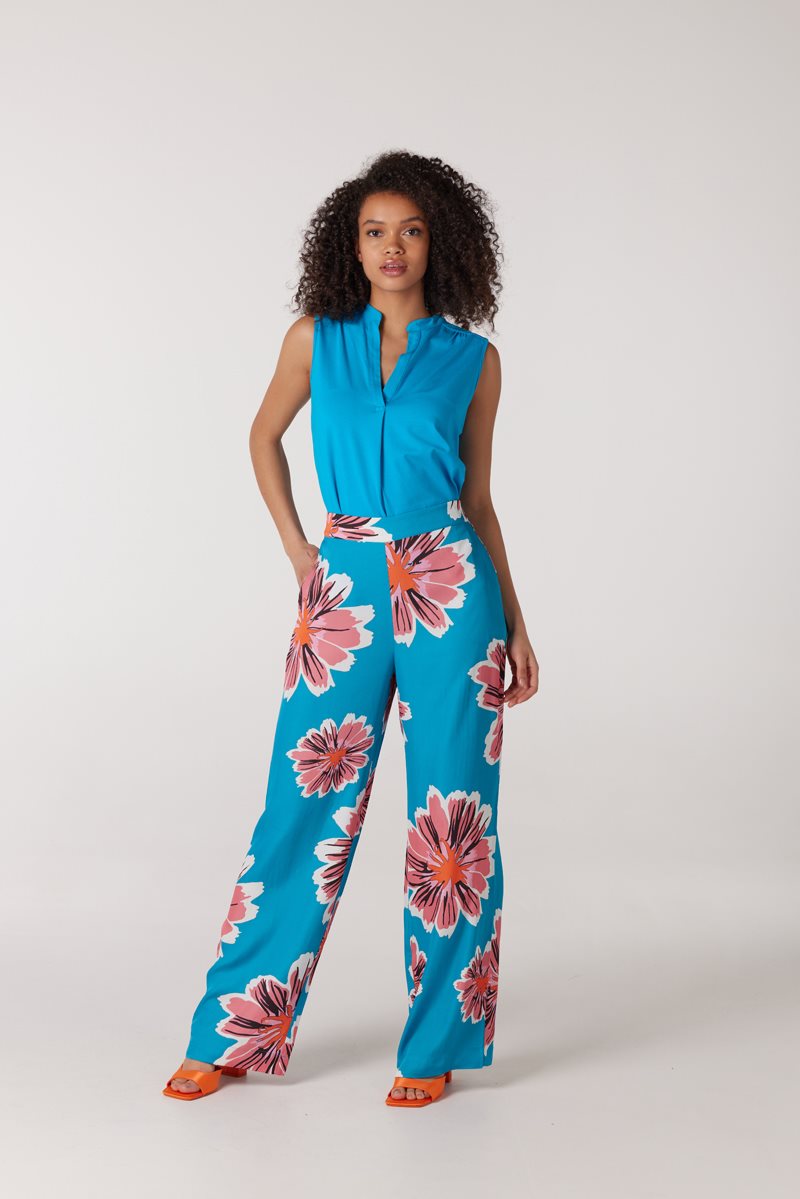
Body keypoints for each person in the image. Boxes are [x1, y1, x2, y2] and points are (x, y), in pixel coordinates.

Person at [163, 150, 539, 1107]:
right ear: (351, 243)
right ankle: (234, 1030)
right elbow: (263, 436)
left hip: (453, 584)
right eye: (374, 231)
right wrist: (302, 551)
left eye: (410, 230)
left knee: (453, 815)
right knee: (301, 801)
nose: (392, 247)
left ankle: (436, 1043)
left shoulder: (474, 360)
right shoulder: (314, 339)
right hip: (346, 581)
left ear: (440, 243)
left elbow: (479, 501)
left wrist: (516, 622)